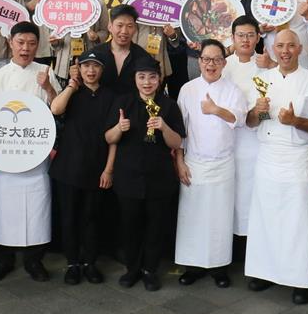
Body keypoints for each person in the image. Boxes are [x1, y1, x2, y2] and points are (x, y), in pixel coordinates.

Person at [244, 29, 308, 304]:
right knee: (264, 218)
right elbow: (250, 123)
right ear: (273, 49)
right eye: (280, 46)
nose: (284, 51)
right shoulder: (262, 79)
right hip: (267, 156)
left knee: (297, 221)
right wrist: (257, 111)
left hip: (297, 158)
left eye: (290, 46)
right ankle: (263, 272)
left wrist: (296, 121)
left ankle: (300, 280)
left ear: (300, 48)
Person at [0, 21, 60, 283]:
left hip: (36, 154)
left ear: (38, 45)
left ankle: (34, 260)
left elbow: (58, 108)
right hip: (6, 154)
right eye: (20, 42)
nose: (26, 48)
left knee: (38, 208)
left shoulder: (45, 71)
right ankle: (3, 259)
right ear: (10, 42)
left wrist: (48, 87)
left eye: (32, 43)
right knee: (5, 209)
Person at [105, 55, 185, 291]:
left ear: (159, 80)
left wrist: (164, 127)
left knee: (155, 226)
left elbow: (177, 142)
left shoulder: (169, 105)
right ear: (135, 79)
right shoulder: (124, 103)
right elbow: (108, 138)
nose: (147, 82)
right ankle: (132, 269)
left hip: (159, 177)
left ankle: (150, 270)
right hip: (128, 176)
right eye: (142, 77)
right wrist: (118, 128)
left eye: (152, 77)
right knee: (129, 225)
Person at [175, 39, 248, 288]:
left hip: (223, 163)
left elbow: (240, 119)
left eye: (217, 60)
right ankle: (192, 266)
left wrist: (216, 109)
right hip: (194, 162)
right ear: (199, 61)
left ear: (224, 63)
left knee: (220, 217)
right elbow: (180, 130)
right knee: (192, 216)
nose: (211, 64)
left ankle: (219, 267)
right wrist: (180, 162)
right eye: (206, 59)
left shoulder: (233, 90)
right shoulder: (187, 89)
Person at [50, 51, 116, 285]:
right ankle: (72, 263)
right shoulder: (72, 93)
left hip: (96, 168)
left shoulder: (111, 96)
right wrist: (71, 86)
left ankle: (90, 263)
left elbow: (114, 138)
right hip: (68, 168)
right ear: (79, 69)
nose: (91, 70)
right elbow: (55, 109)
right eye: (86, 66)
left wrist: (109, 169)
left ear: (102, 70)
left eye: (95, 66)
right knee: (68, 217)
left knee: (92, 218)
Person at [223, 17, 271, 242]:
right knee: (229, 194)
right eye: (240, 35)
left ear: (258, 37)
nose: (245, 40)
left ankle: (251, 243)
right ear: (232, 37)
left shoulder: (265, 64)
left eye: (250, 35)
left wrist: (272, 66)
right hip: (227, 140)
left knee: (251, 192)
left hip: (255, 140)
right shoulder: (223, 65)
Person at [48, 0, 109, 88]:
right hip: (64, 64)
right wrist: (55, 41)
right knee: (65, 96)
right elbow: (55, 34)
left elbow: (105, 31)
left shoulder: (99, 4)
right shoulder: (61, 4)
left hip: (91, 63)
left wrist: (97, 36)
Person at [89, 5, 154, 94]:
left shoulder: (143, 56)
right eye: (120, 25)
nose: (124, 31)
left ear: (135, 28)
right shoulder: (96, 54)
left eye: (129, 26)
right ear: (110, 26)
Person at [129, 0, 177, 79]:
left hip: (159, 57)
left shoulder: (167, 5)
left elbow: (175, 39)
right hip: (134, 58)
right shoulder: (130, 4)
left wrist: (172, 35)